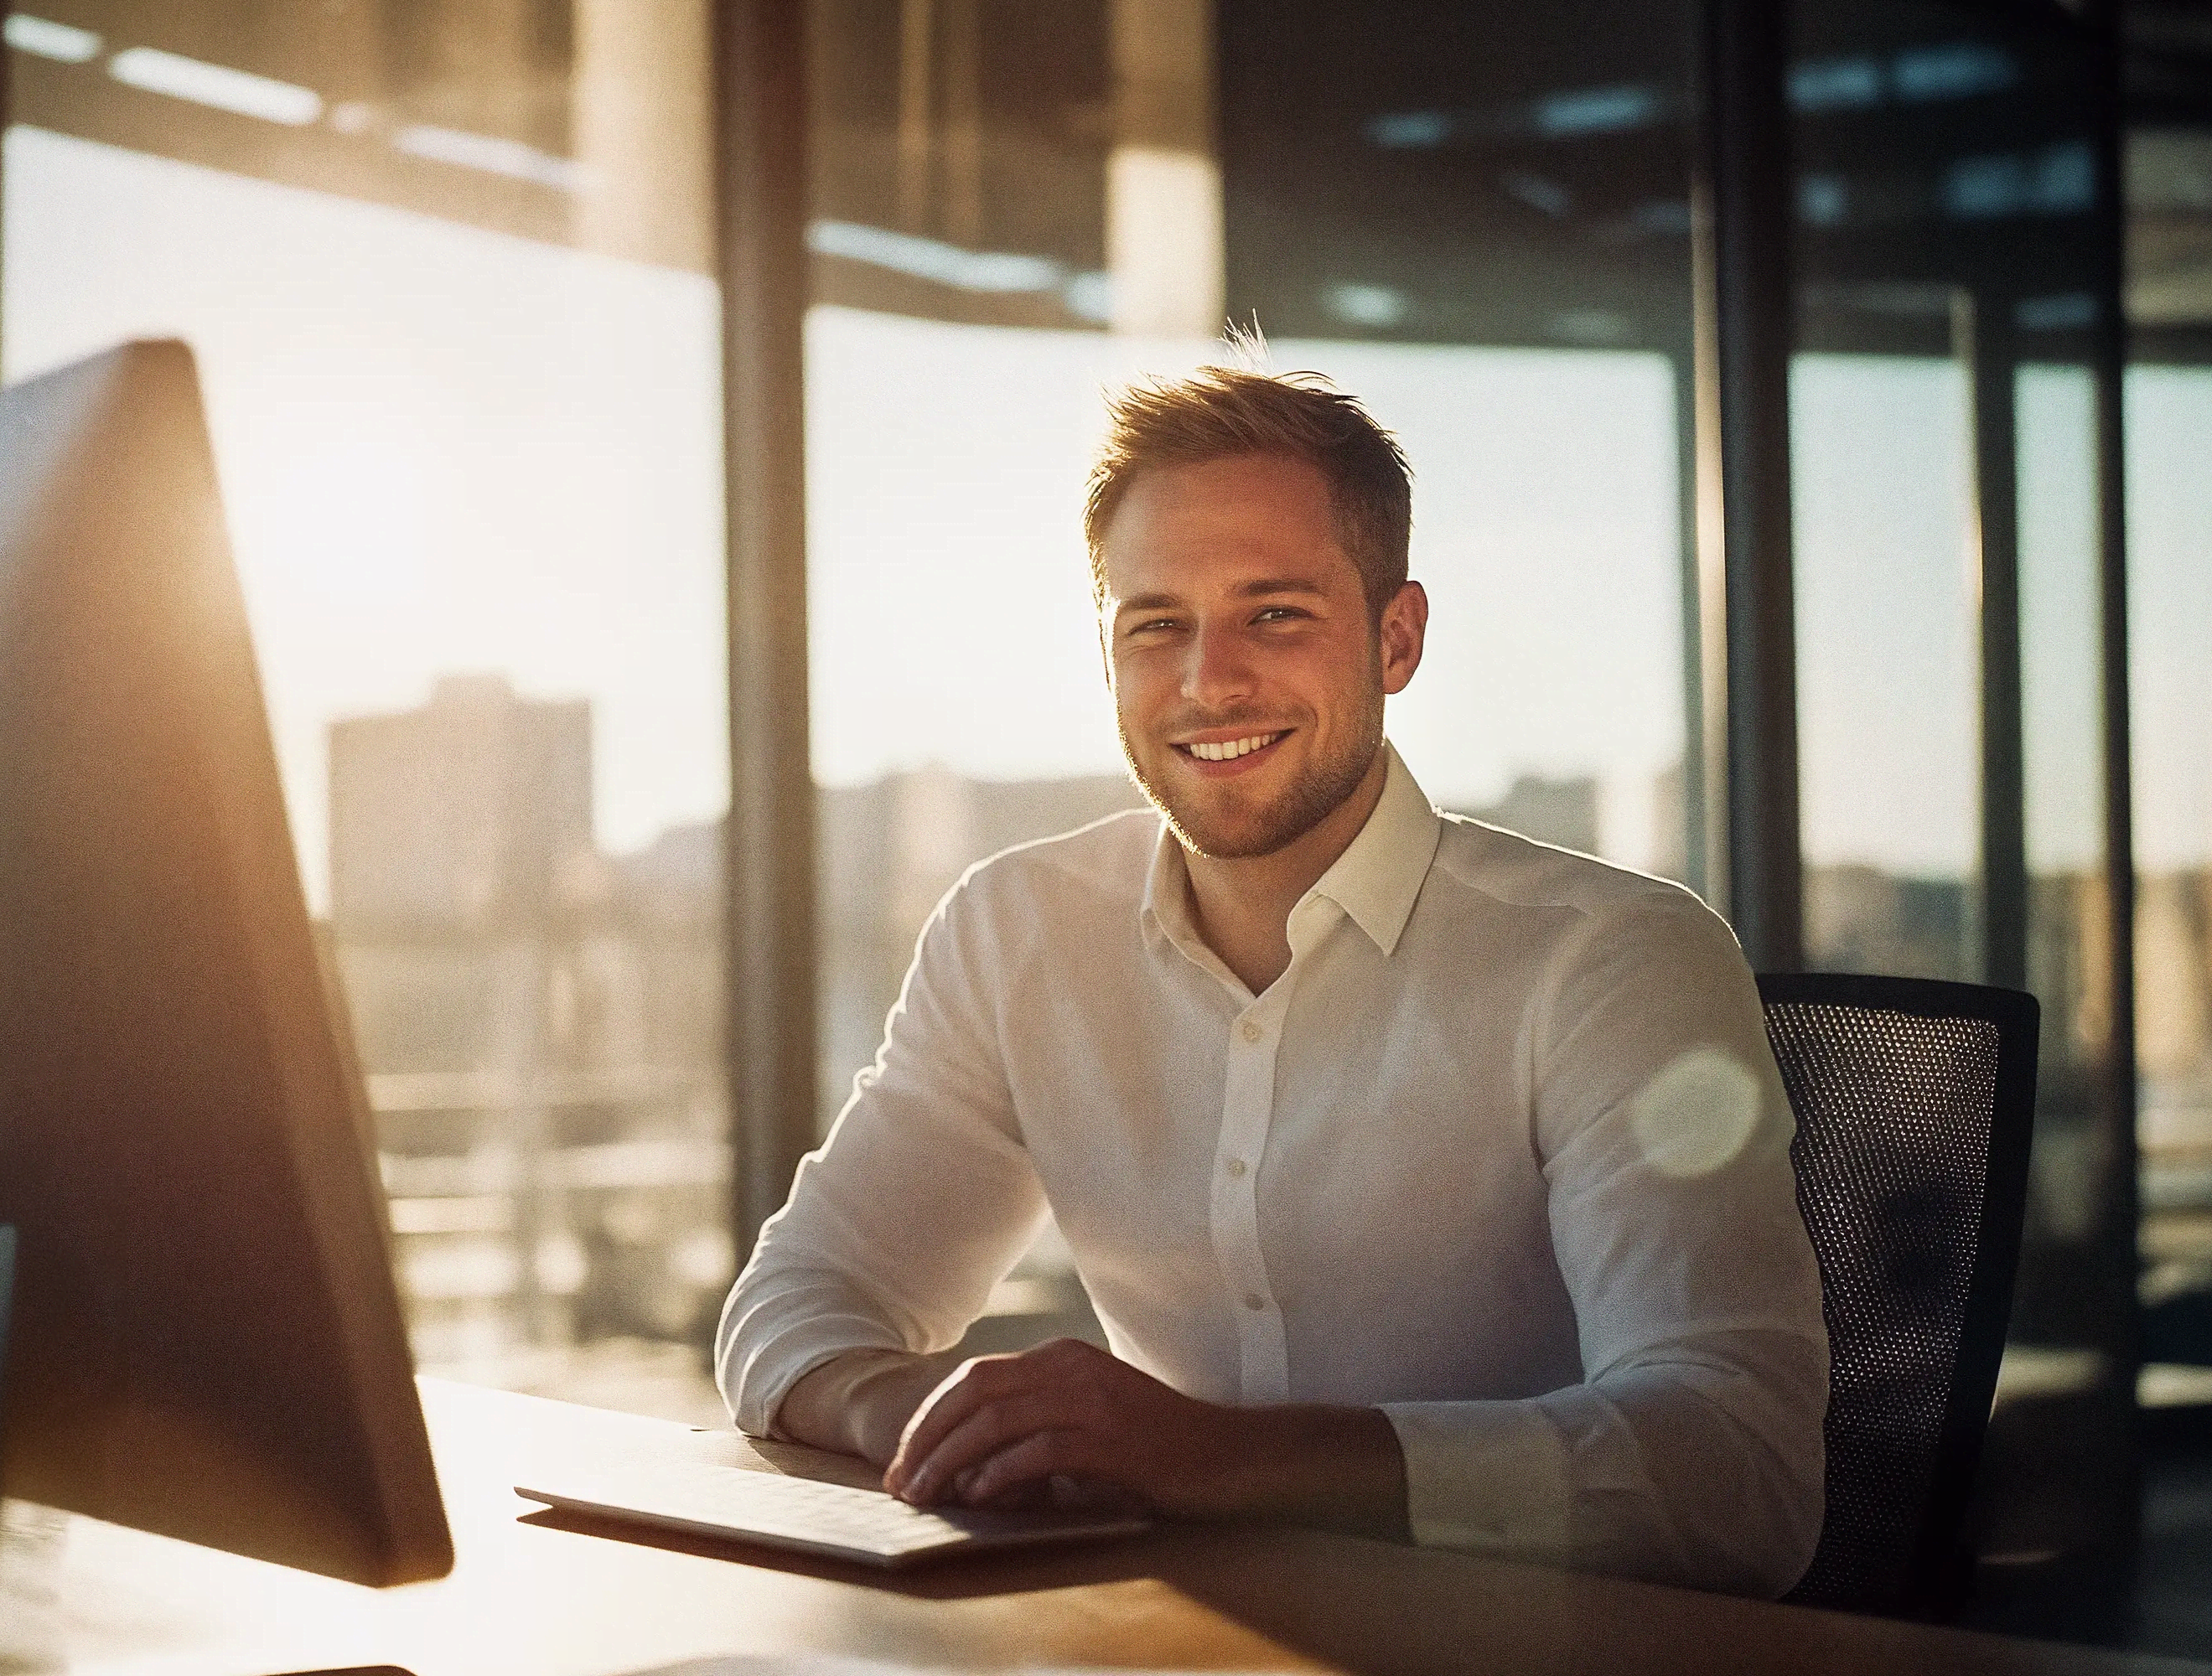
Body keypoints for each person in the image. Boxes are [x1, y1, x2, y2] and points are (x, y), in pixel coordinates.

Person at [712, 365, 1829, 1597]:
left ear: (1395, 639)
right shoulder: (1014, 929)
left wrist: (1224, 1461)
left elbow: (1741, 1475)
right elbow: (792, 1308)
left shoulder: (1610, 962)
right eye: (1155, 626)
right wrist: (944, 1419)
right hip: (1159, 1640)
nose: (1207, 681)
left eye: (1276, 614)